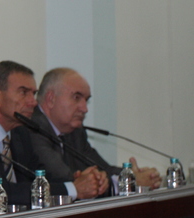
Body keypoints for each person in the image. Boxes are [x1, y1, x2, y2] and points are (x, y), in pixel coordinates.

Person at [0, 61, 108, 206]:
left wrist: (81, 181)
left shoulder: (20, 132)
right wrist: (74, 189)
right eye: (24, 92)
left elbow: (40, 178)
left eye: (34, 93)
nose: (33, 102)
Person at [32, 68, 161, 192]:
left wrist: (132, 175)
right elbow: (66, 180)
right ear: (51, 99)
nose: (84, 109)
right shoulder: (33, 127)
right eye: (76, 97)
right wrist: (129, 183)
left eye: (86, 100)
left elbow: (102, 168)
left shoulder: (75, 131)